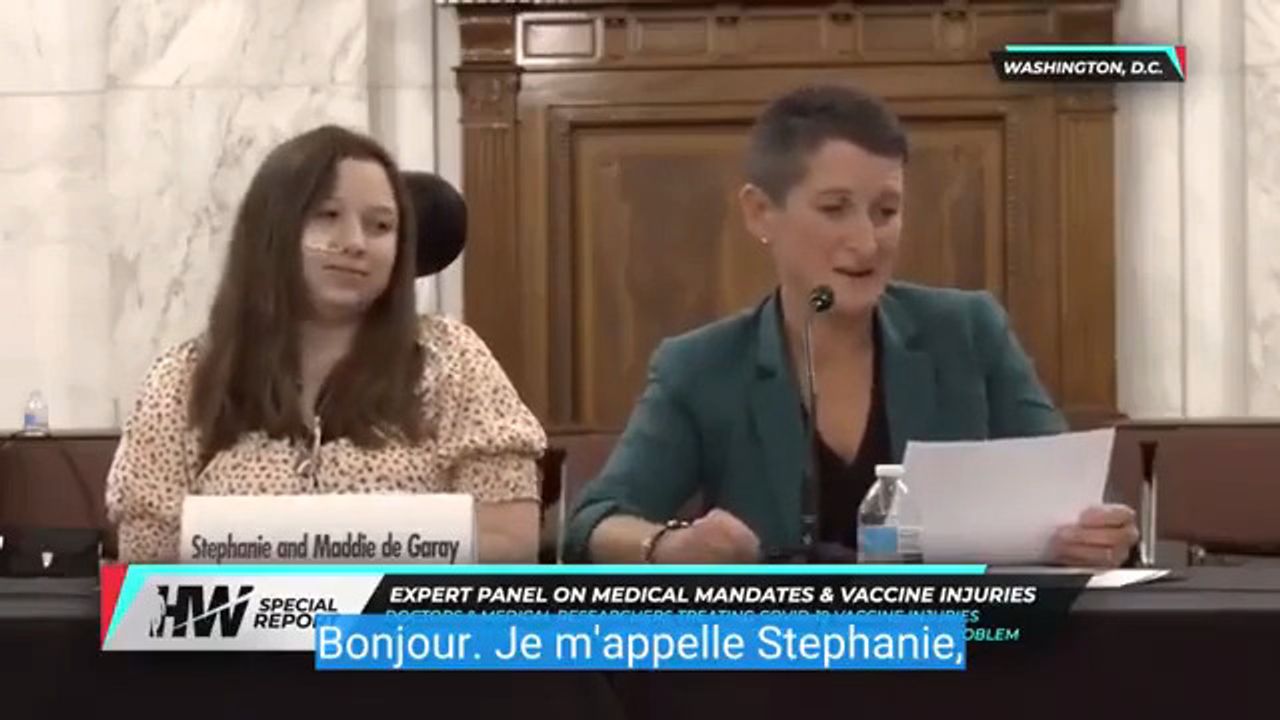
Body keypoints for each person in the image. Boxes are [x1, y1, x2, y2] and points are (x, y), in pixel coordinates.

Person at [563, 84, 1138, 566]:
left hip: (960, 649)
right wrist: (669, 546)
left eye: (886, 212)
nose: (867, 242)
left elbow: (1077, 500)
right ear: (760, 213)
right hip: (777, 655)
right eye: (834, 209)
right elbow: (591, 524)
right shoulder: (701, 366)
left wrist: (1099, 533)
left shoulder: (968, 332)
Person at [105, 125, 546, 564]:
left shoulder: (454, 359)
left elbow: (511, 545)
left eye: (380, 226)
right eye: (327, 215)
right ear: (271, 231)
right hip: (238, 614)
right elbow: (147, 566)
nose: (354, 243)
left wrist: (342, 566)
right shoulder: (182, 381)